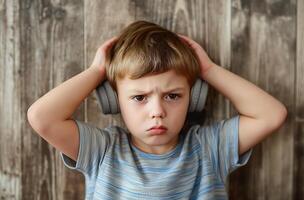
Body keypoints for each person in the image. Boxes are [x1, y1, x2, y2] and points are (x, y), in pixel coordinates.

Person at [27, 21, 287, 199]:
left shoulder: (209, 148)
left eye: (172, 95)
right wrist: (96, 73)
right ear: (114, 101)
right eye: (139, 97)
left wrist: (209, 71)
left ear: (194, 98)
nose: (157, 111)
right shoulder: (102, 150)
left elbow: (271, 115)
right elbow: (42, 117)